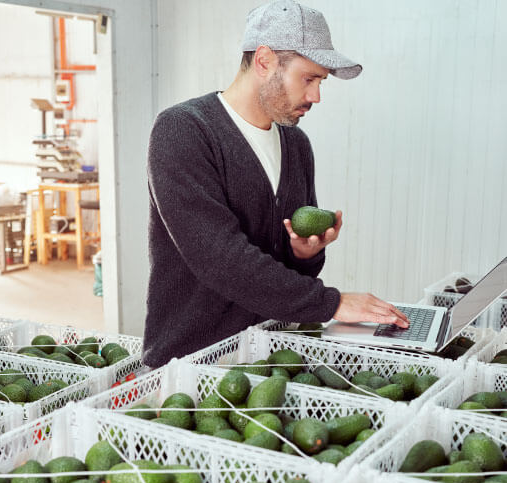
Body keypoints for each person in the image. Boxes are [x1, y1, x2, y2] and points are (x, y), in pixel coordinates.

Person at [142, 0, 409, 368]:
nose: (316, 96)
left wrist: (305, 252)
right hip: (190, 365)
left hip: (268, 360)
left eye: (321, 81)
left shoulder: (297, 146)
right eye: (309, 78)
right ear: (265, 60)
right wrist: (331, 303)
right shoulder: (183, 131)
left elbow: (288, 273)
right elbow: (219, 258)